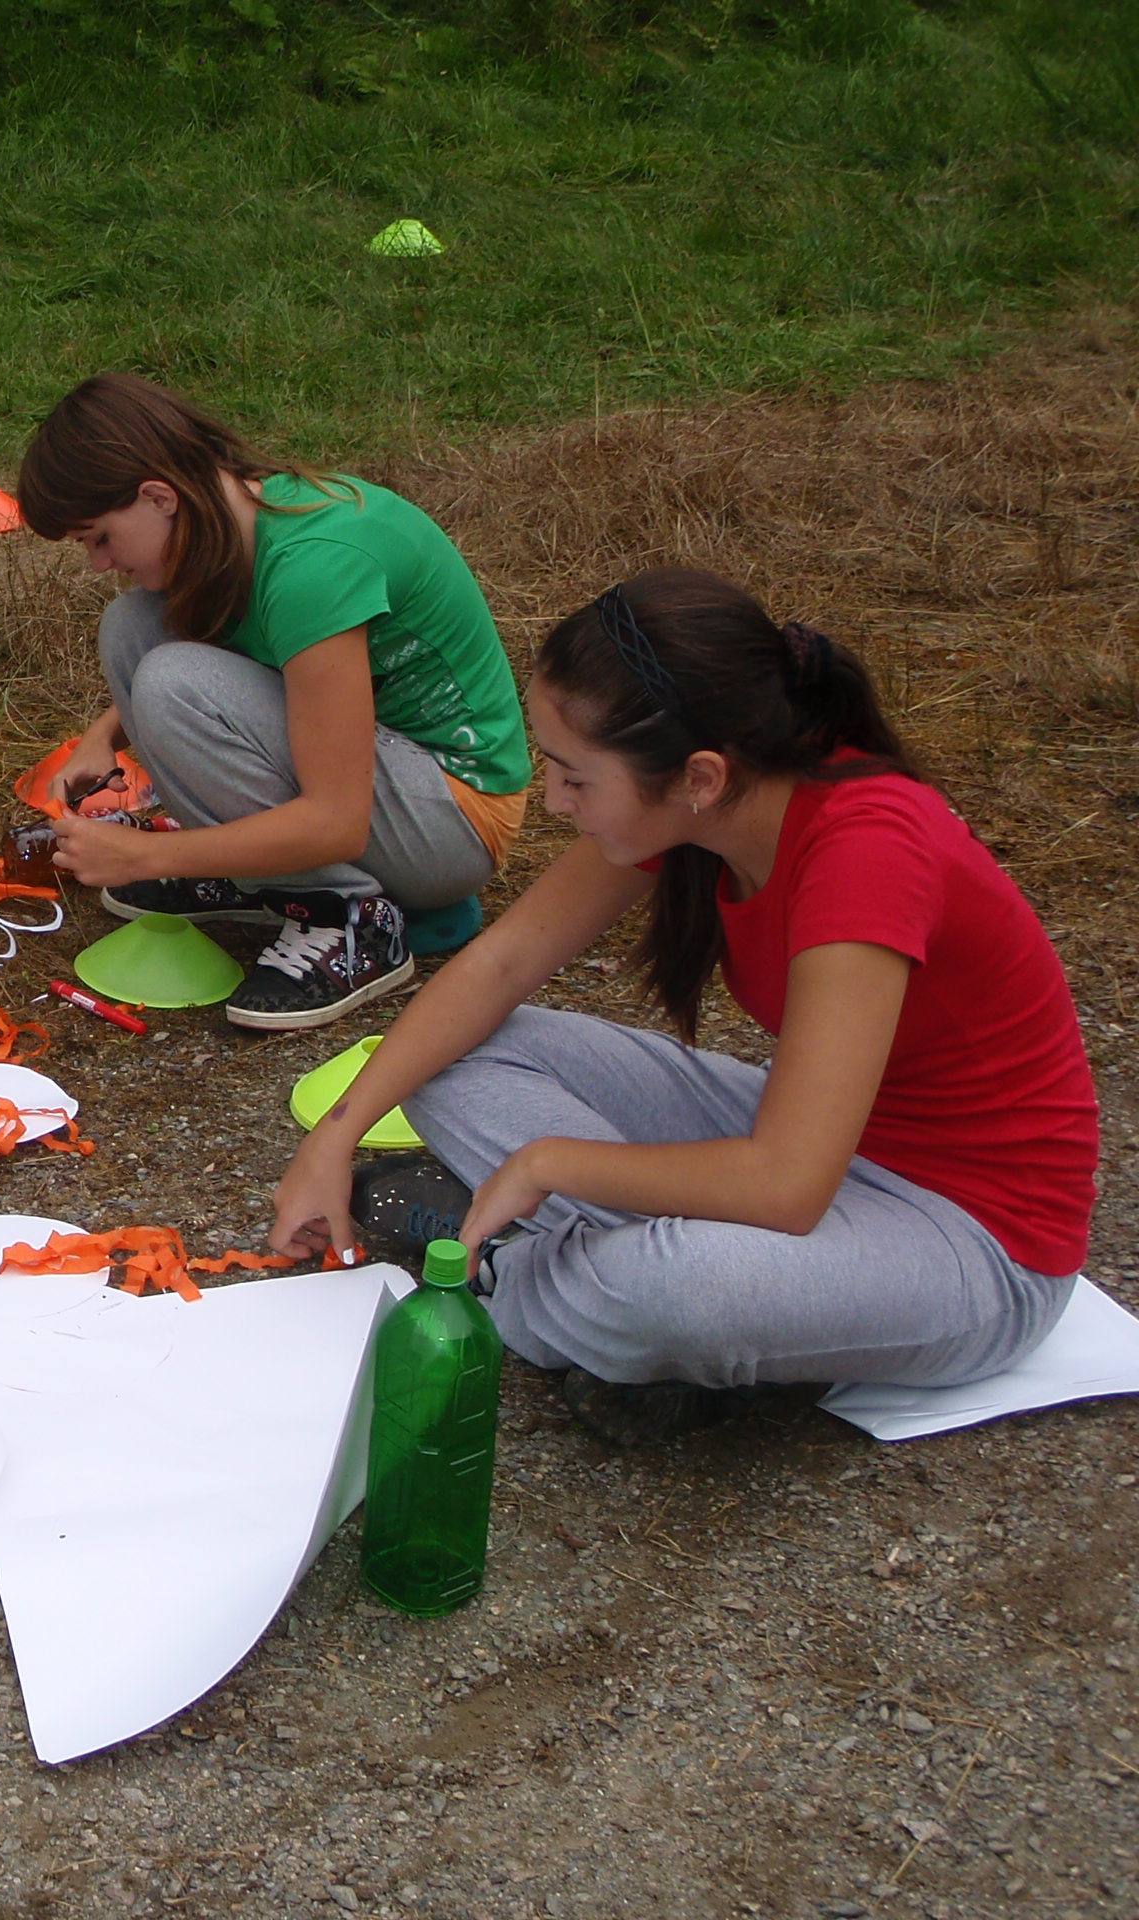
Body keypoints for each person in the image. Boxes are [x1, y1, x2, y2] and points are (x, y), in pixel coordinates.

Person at [268, 569, 1096, 1445]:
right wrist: (336, 1136)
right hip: (822, 1143)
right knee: (457, 1054)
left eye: (575, 777)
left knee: (668, 1289)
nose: (554, 800)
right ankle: (582, 1272)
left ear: (699, 776)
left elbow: (786, 1186)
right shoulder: (705, 805)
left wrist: (549, 1164)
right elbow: (500, 964)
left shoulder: (866, 851)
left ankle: (508, 1266)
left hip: (974, 1238)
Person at [16, 373, 531, 1030]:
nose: (98, 563)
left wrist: (145, 857)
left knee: (171, 677)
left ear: (158, 496)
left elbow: (338, 822)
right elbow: (287, 676)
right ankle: (258, 873)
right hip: (391, 779)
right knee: (133, 626)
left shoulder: (312, 567)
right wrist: (101, 737)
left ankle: (350, 919)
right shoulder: (242, 520)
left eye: (100, 538)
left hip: (453, 820)